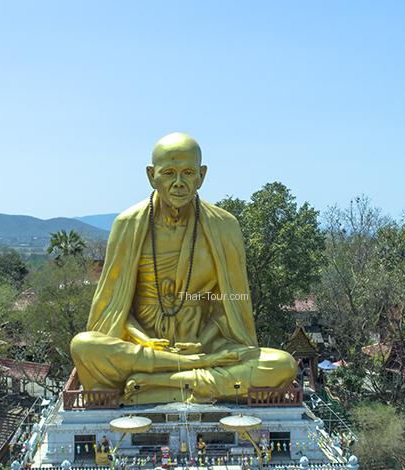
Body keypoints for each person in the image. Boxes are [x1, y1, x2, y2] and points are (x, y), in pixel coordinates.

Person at [70, 133, 296, 404]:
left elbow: (229, 306)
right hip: (145, 350)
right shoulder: (127, 224)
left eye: (188, 173)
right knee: (83, 345)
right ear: (151, 175)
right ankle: (190, 378)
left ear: (201, 175)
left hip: (206, 346)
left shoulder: (224, 226)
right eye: (168, 173)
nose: (179, 183)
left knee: (283, 365)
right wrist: (143, 340)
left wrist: (204, 344)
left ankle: (160, 385)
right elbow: (115, 306)